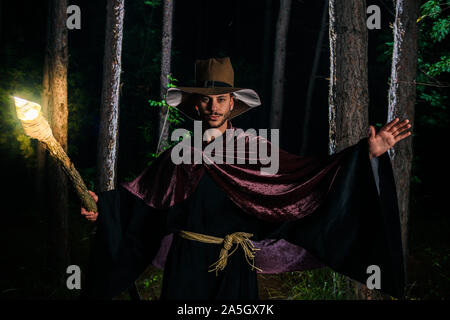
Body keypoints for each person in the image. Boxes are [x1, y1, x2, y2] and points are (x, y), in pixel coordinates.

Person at [81, 57, 412, 300]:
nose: (213, 106)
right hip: (187, 266)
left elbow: (307, 177)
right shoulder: (177, 157)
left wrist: (364, 153)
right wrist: (106, 208)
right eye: (206, 99)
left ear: (231, 104)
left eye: (221, 99)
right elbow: (143, 202)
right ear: (195, 106)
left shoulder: (256, 150)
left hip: (235, 262)